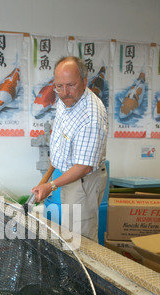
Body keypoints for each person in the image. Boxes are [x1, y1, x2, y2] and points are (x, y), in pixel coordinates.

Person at [31, 56, 108, 243]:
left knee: (80, 241)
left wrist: (51, 185)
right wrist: (55, 156)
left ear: (84, 81)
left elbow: (84, 167)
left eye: (71, 85)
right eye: (59, 86)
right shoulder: (67, 99)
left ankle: (84, 272)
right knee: (69, 234)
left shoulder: (91, 116)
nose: (65, 92)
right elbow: (62, 130)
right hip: (68, 174)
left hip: (83, 180)